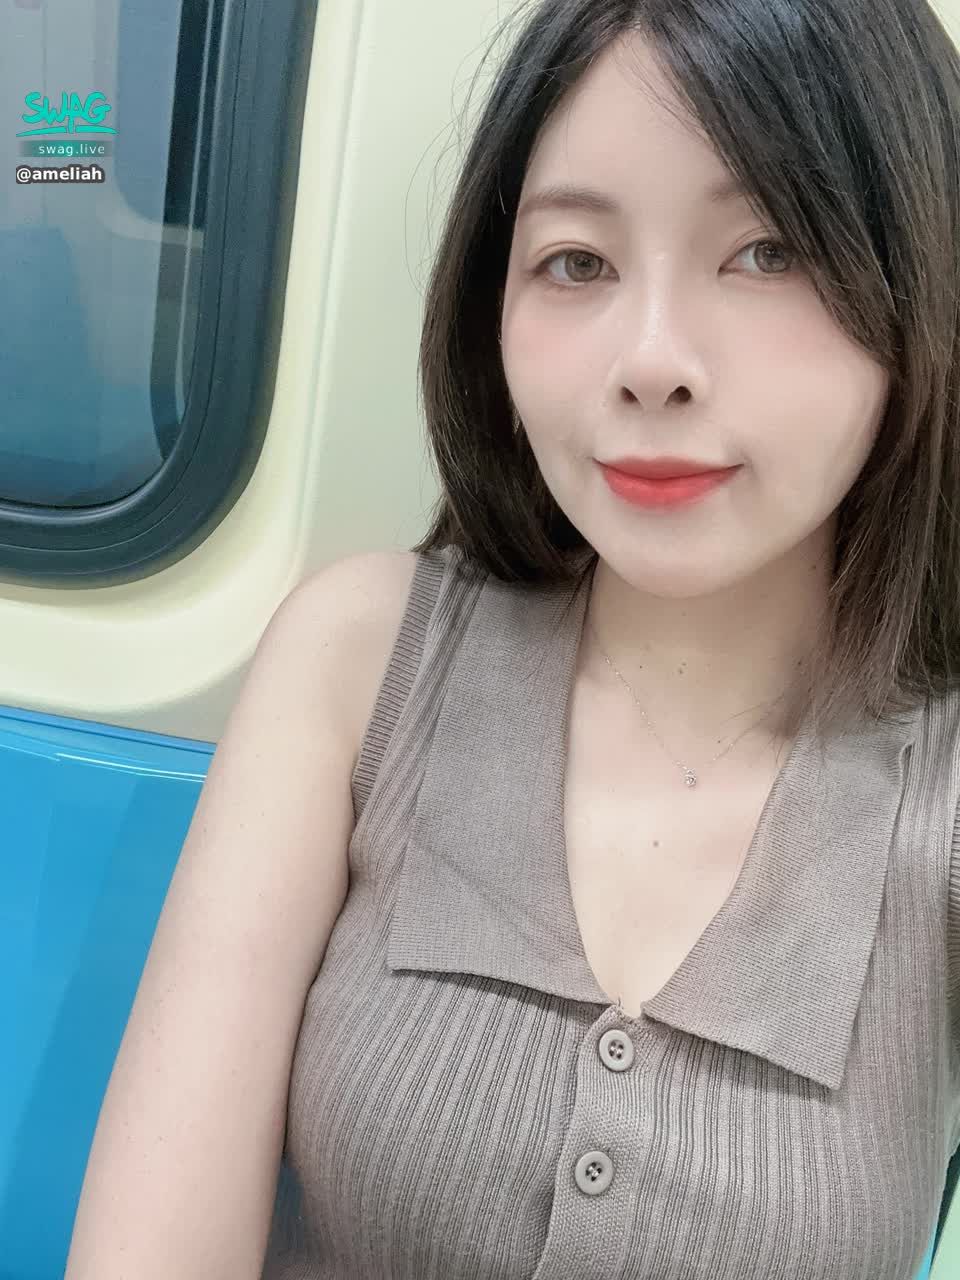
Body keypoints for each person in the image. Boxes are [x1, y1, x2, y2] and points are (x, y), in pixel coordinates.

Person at [65, 1, 960, 1278]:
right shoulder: (356, 656)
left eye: (769, 251)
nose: (652, 363)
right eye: (577, 262)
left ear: (917, 285)